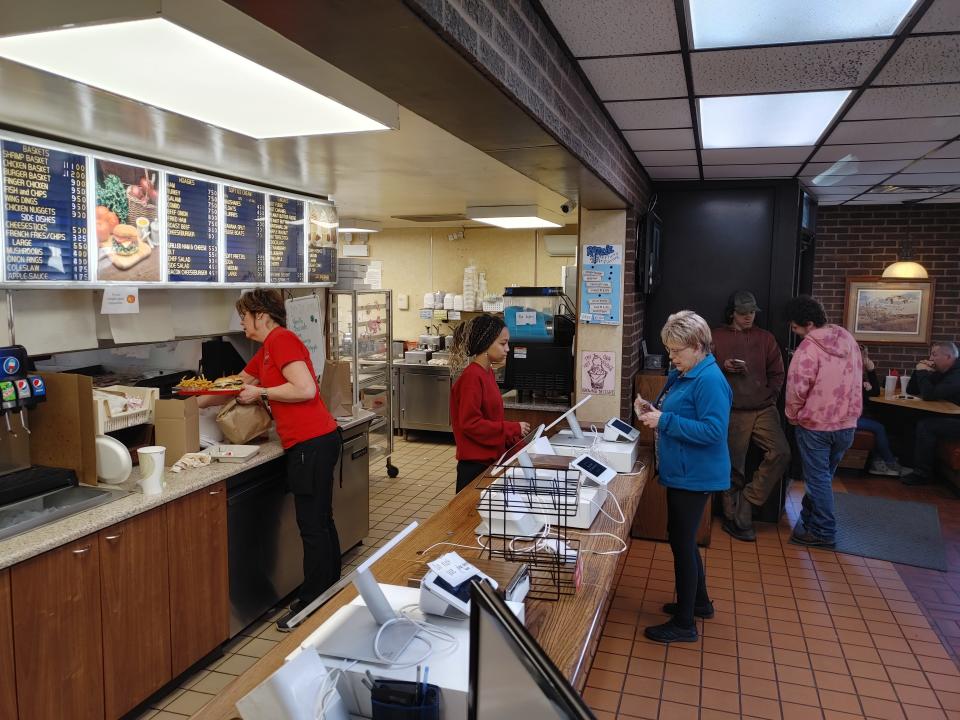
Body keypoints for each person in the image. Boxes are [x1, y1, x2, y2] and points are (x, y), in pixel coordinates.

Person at [199, 289, 342, 625]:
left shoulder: (282, 341)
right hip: (314, 441)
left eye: (244, 317)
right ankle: (329, 586)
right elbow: (236, 383)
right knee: (320, 520)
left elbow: (306, 389)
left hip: (312, 443)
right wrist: (190, 401)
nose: (241, 323)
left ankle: (313, 598)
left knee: (313, 524)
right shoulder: (266, 350)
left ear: (261, 316)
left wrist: (261, 392)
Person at [635, 311, 731, 643]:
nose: (671, 357)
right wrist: (650, 410)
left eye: (676, 351)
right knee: (682, 540)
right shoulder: (686, 372)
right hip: (682, 471)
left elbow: (714, 431)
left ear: (697, 346)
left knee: (682, 542)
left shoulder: (709, 380)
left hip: (696, 475)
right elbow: (672, 411)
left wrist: (664, 422)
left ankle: (685, 623)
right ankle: (699, 603)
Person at [783, 295, 862, 548]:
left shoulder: (808, 348)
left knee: (817, 480)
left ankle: (824, 531)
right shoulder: (848, 339)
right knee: (823, 478)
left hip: (815, 425)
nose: (794, 333)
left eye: (795, 327)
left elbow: (796, 388)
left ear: (808, 323)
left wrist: (792, 416)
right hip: (847, 424)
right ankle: (808, 519)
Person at [712, 290, 790, 542]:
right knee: (733, 467)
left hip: (763, 408)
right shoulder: (716, 337)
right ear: (732, 313)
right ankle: (733, 518)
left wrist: (771, 396)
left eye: (752, 313)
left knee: (781, 452)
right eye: (744, 313)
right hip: (732, 409)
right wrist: (722, 367)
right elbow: (703, 367)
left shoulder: (765, 338)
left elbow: (778, 373)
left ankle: (747, 501)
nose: (748, 317)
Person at [449, 314, 530, 493]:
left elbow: (492, 419)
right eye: (503, 343)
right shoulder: (472, 377)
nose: (507, 349)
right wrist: (512, 428)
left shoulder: (488, 373)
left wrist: (522, 445)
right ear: (486, 343)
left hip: (490, 462)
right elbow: (471, 424)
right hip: (474, 467)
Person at [901, 341, 960, 486]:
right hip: (952, 416)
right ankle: (907, 463)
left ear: (948, 356)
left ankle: (922, 474)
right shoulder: (943, 371)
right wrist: (918, 370)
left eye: (934, 355)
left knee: (926, 425)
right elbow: (912, 390)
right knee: (911, 417)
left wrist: (922, 372)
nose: (931, 359)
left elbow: (929, 394)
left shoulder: (957, 374)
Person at [857, 345, 902, 476]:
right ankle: (889, 461)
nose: (865, 359)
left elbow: (873, 392)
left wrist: (868, 377)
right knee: (879, 427)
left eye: (865, 355)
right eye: (862, 356)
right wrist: (871, 371)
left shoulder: (858, 374)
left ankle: (878, 460)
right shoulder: (849, 373)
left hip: (853, 415)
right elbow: (874, 393)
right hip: (845, 418)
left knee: (882, 421)